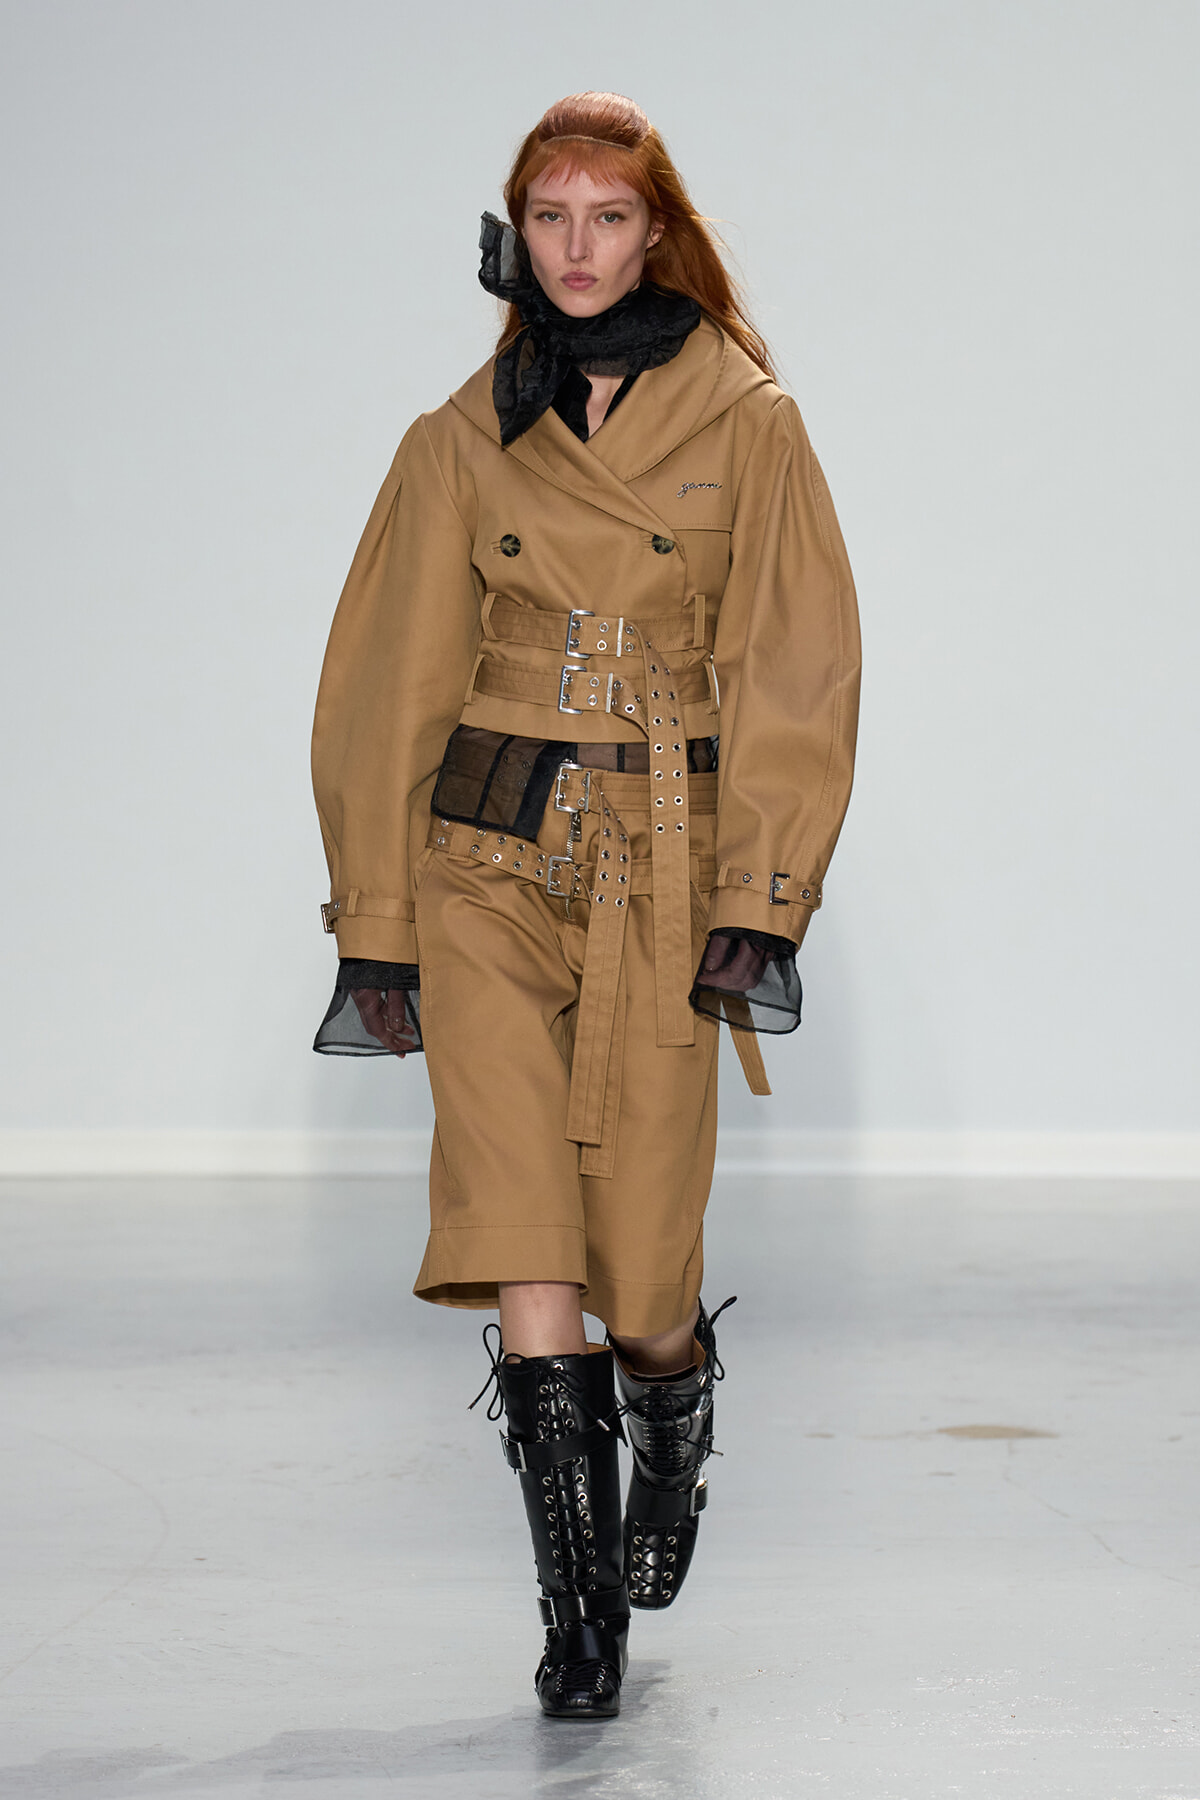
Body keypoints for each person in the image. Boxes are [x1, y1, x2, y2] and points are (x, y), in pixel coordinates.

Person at [311, 91, 860, 1719]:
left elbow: (796, 668)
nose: (575, 248)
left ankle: (672, 1409)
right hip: (485, 862)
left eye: (605, 218)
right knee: (517, 1223)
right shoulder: (456, 436)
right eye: (548, 219)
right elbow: (382, 688)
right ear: (514, 235)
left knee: (644, 1272)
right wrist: (376, 923)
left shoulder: (751, 423)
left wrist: (763, 890)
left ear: (655, 230)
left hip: (663, 867)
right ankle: (578, 1627)